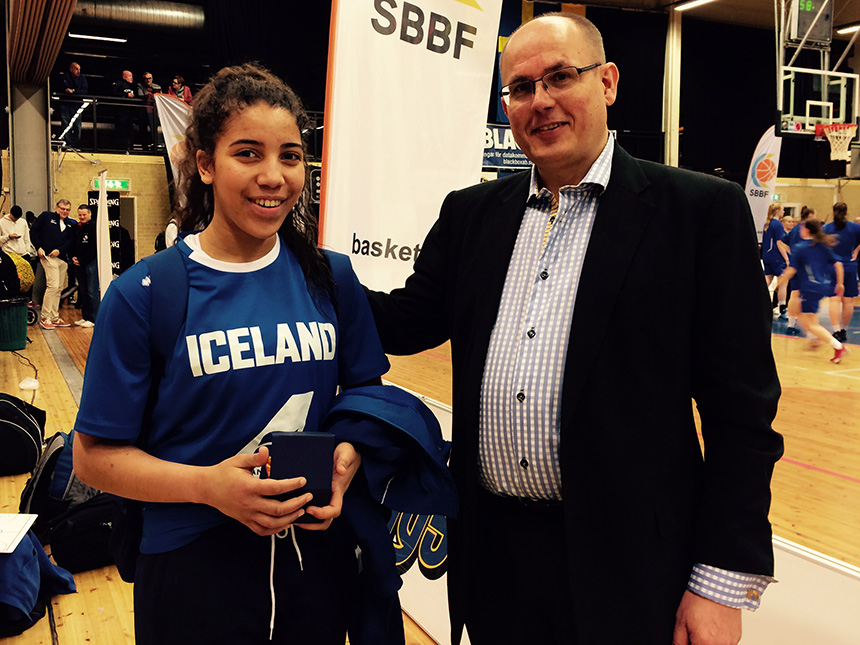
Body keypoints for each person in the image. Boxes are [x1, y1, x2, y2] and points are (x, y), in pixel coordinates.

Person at [364, 13, 783, 645]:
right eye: (520, 88)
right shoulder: (472, 214)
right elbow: (403, 322)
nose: (540, 101)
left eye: (560, 77)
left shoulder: (698, 213)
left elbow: (742, 416)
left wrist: (720, 581)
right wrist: (300, 265)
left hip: (633, 567)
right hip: (495, 561)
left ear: (607, 82)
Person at [72, 63, 390, 645]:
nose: (273, 176)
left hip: (314, 560)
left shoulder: (332, 278)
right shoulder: (146, 294)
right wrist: (209, 486)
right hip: (192, 566)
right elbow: (92, 459)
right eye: (248, 153)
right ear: (205, 164)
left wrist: (350, 454)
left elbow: (366, 395)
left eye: (290, 156)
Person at [777, 219, 848, 363]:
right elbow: (839, 265)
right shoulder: (823, 245)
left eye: (802, 228)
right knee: (798, 311)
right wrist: (840, 283)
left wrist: (779, 282)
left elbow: (791, 270)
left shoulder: (800, 248)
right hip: (821, 286)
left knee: (810, 323)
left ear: (807, 230)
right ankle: (813, 337)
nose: (800, 230)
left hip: (810, 288)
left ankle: (839, 347)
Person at [30, 200, 76, 329]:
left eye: (67, 209)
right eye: (62, 209)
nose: (65, 211)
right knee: (53, 286)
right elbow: (33, 231)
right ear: (57, 208)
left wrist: (60, 250)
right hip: (48, 257)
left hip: (62, 259)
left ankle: (54, 316)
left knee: (59, 288)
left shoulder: (70, 223)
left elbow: (70, 241)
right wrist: (38, 248)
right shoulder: (46, 216)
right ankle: (45, 317)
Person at [823, 202, 860, 343]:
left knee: (834, 299)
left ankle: (836, 330)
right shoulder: (855, 227)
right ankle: (843, 330)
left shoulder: (826, 228)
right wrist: (856, 251)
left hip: (832, 266)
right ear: (847, 212)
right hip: (850, 265)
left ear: (833, 212)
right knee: (848, 300)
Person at [785, 205, 815, 336]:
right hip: (805, 266)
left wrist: (791, 254)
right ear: (809, 216)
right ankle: (810, 327)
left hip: (795, 264)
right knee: (806, 295)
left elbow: (782, 242)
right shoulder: (807, 230)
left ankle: (791, 325)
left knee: (794, 294)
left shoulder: (795, 229)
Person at [71, 204, 98, 327]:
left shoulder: (94, 227)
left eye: (84, 215)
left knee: (92, 291)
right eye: (80, 215)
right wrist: (74, 257)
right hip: (78, 264)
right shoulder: (77, 227)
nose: (82, 217)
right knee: (83, 291)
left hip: (90, 263)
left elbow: (94, 248)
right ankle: (85, 316)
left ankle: (94, 319)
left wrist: (82, 260)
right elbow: (74, 244)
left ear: (89, 214)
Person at [761, 202, 790, 320]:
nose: (784, 212)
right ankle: (782, 309)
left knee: (766, 281)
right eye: (782, 209)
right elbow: (779, 243)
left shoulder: (767, 224)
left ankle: (754, 302)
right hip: (776, 257)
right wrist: (786, 258)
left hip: (767, 256)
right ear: (777, 210)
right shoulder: (777, 224)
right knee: (783, 283)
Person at [60, 62, 88, 148]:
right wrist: (67, 90)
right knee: (66, 124)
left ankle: (76, 146)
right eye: (76, 69)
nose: (78, 71)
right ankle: (67, 144)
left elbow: (85, 91)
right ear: (71, 69)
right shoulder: (65, 77)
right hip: (66, 104)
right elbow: (61, 87)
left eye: (79, 69)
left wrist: (74, 91)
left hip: (77, 105)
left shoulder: (82, 78)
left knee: (77, 126)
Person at [136, 72, 162, 148]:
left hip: (153, 110)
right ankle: (144, 146)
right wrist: (150, 94)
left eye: (149, 78)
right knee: (143, 128)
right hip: (143, 110)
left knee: (154, 127)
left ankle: (155, 144)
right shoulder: (140, 85)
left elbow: (159, 97)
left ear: (152, 79)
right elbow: (141, 95)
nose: (148, 80)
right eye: (146, 79)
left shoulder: (157, 86)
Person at [113, 70, 137, 149]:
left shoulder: (132, 86)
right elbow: (113, 93)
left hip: (129, 111)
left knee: (129, 130)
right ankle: (121, 147)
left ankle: (128, 147)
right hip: (121, 111)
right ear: (124, 77)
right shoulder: (119, 83)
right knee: (121, 130)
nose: (131, 78)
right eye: (129, 76)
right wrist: (126, 95)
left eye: (132, 76)